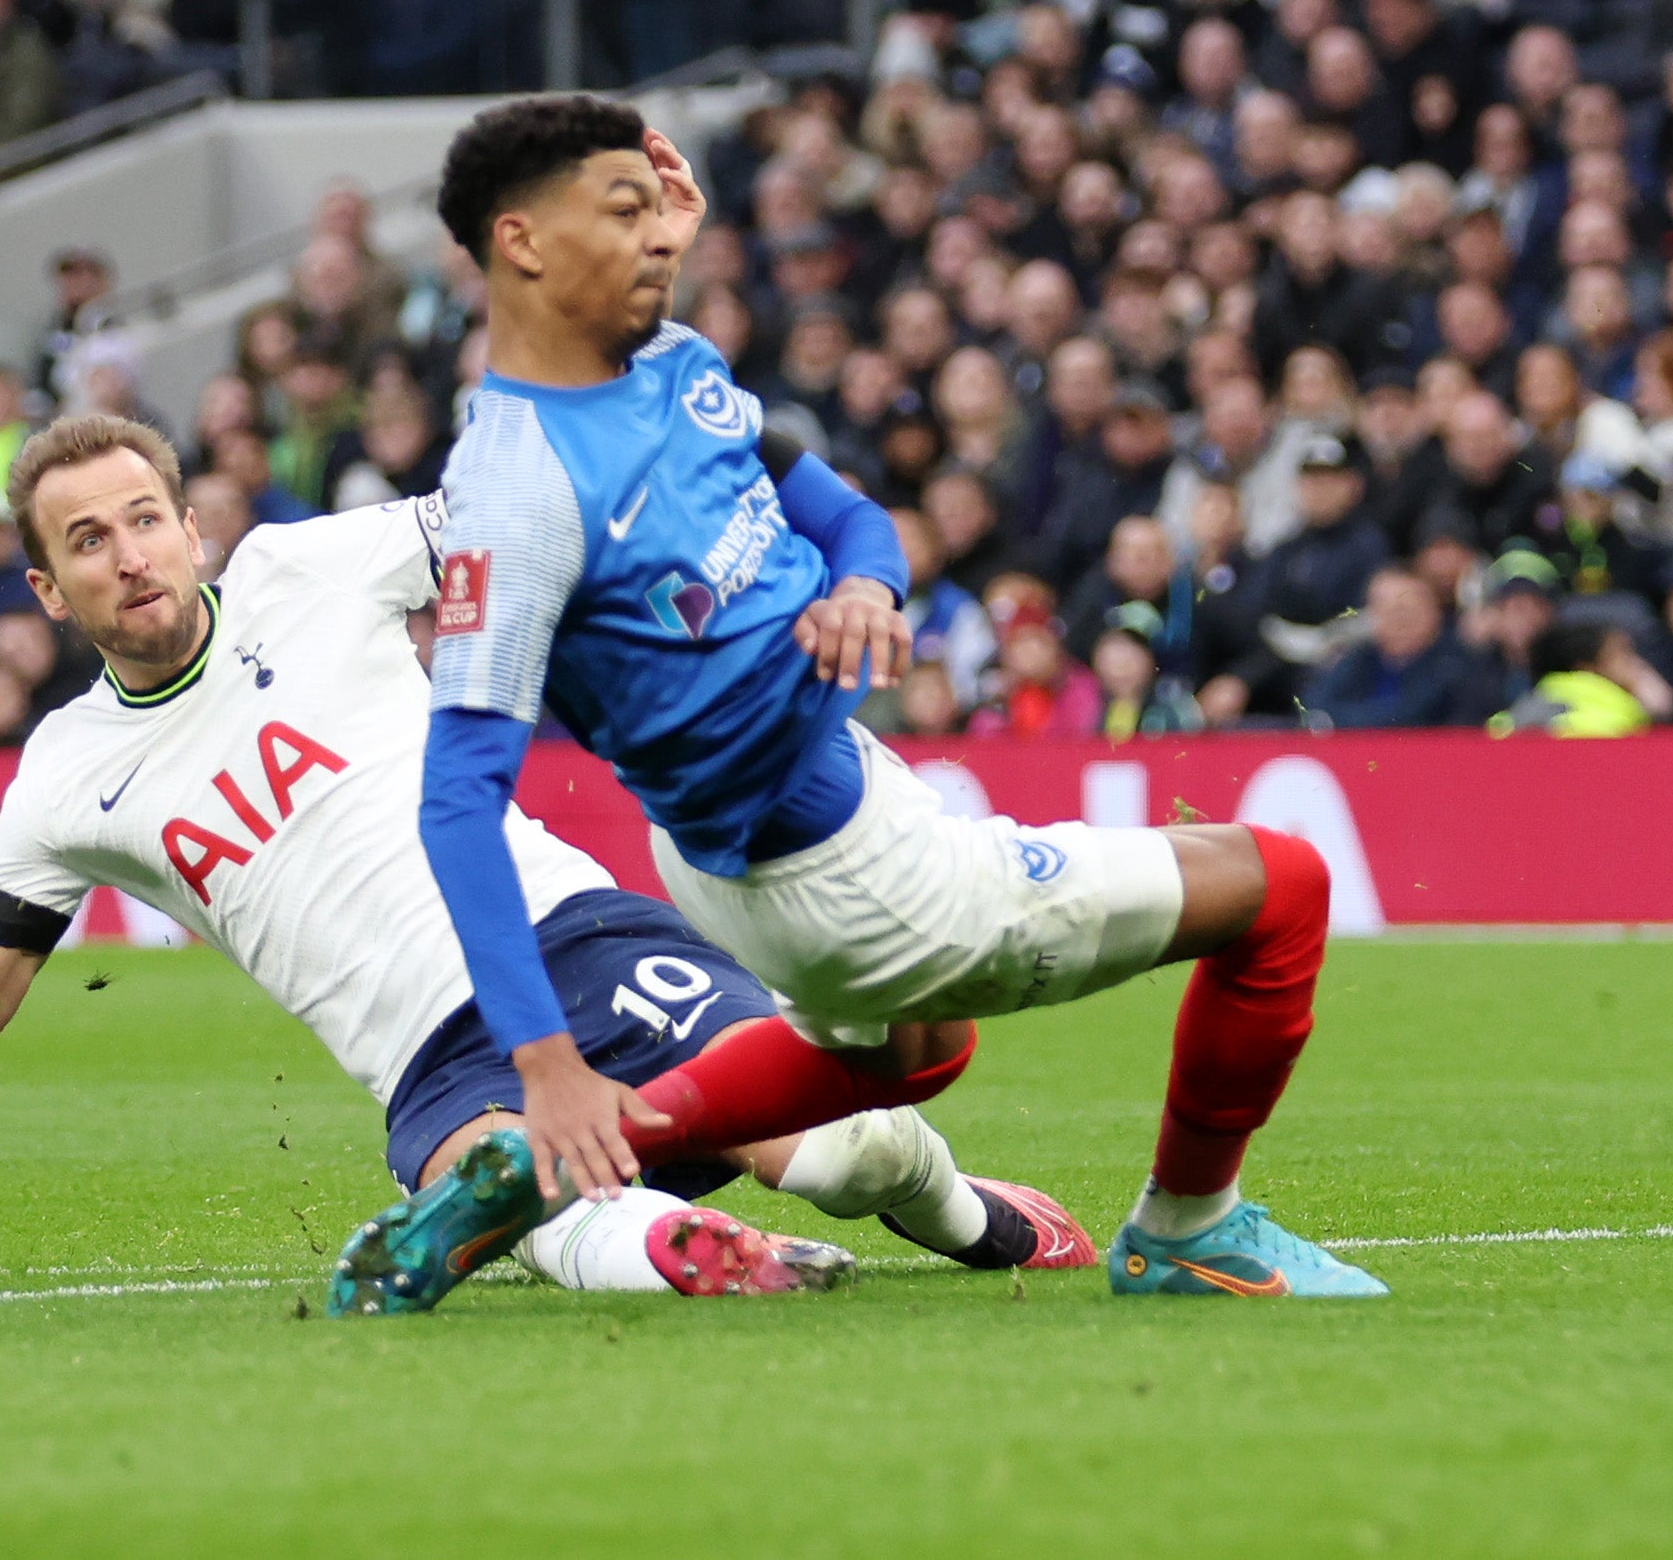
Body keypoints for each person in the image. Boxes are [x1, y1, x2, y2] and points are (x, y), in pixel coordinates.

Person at [0, 414, 1088, 1307]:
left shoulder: (308, 566)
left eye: (146, 518)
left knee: (846, 1153)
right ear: (46, 588)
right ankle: (681, 1255)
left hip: (571, 941)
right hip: (430, 1068)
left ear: (191, 526)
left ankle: (970, 1223)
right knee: (505, 1184)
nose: (129, 553)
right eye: (87, 541)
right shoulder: (65, 778)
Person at [409, 94, 1382, 1299]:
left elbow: (851, 520)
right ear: (523, 244)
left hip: (779, 837)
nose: (663, 232)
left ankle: (578, 1155)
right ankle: (1187, 1229)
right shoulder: (514, 493)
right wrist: (545, 1059)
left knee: (916, 1056)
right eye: (625, 211)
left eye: (662, 204)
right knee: (1281, 887)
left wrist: (865, 586)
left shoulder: (666, 367)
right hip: (842, 873)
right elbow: (456, 803)